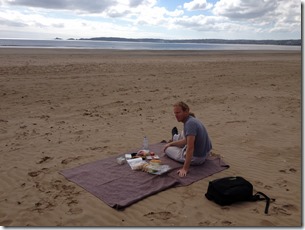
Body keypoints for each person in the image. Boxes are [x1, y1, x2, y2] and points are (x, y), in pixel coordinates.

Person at [163, 101, 212, 177]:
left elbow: (190, 148)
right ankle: (175, 138)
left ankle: (175, 137)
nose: (176, 115)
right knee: (182, 136)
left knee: (167, 149)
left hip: (197, 158)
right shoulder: (192, 119)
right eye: (175, 113)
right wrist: (171, 143)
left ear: (186, 111)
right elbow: (186, 141)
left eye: (178, 113)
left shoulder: (190, 124)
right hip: (205, 153)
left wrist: (185, 169)